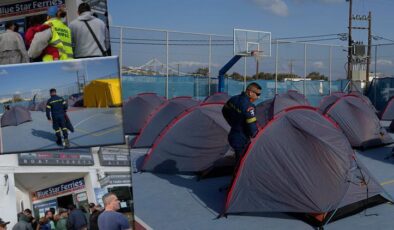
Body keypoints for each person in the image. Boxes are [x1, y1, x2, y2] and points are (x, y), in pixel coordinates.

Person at [222, 82, 261, 165]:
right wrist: (258, 137)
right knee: (241, 163)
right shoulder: (249, 107)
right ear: (250, 93)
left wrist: (232, 123)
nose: (258, 97)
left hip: (233, 134)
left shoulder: (233, 99)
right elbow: (252, 127)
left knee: (238, 159)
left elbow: (224, 111)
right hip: (242, 138)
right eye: (257, 94)